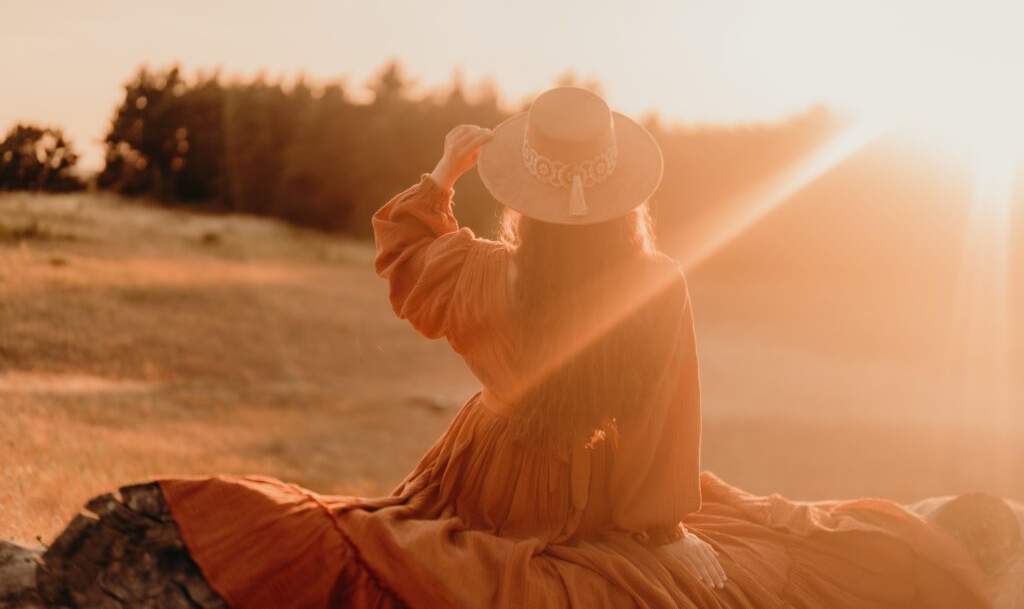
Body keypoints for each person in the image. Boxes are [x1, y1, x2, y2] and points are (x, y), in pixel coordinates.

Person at [36, 87, 996, 608]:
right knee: (770, 533)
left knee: (401, 532)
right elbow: (664, 441)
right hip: (594, 495)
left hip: (477, 471)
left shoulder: (490, 275)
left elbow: (406, 252)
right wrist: (666, 536)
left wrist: (444, 169)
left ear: (526, 194)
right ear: (624, 195)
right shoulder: (656, 285)